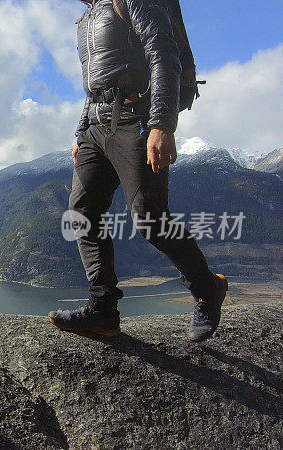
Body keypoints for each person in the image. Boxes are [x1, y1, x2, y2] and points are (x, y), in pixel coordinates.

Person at [48, 0, 227, 342]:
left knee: (149, 218)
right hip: (96, 128)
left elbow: (163, 55)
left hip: (136, 120)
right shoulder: (87, 17)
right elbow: (95, 83)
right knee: (82, 213)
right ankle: (103, 310)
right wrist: (81, 130)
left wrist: (162, 125)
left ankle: (207, 288)